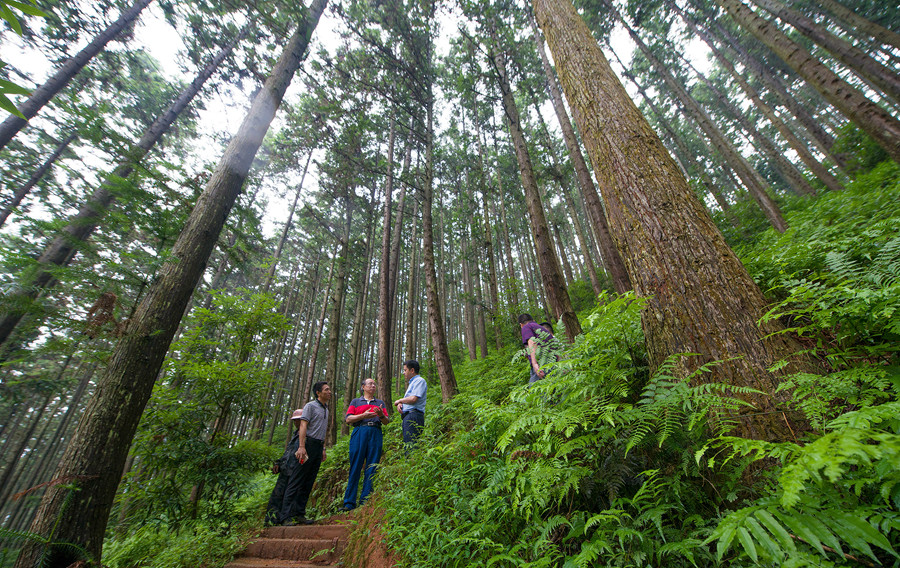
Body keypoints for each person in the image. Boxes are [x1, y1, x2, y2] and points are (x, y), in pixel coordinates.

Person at [278, 381, 331, 526]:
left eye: (329, 389)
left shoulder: (326, 409)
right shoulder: (310, 406)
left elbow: (323, 430)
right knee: (296, 479)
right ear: (318, 393)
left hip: (318, 447)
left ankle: (299, 513)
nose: (329, 392)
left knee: (309, 481)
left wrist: (324, 449)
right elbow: (303, 425)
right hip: (307, 445)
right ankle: (285, 516)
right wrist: (301, 447)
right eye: (326, 390)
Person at [342, 378, 390, 511]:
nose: (373, 386)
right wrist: (363, 415)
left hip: (375, 431)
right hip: (359, 431)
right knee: (355, 465)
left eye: (374, 384)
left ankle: (366, 501)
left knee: (372, 465)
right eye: (370, 384)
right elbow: (348, 419)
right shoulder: (356, 401)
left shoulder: (380, 403)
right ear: (363, 386)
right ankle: (349, 503)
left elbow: (386, 422)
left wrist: (380, 415)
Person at [264, 409, 304, 525]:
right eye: (295, 421)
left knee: (291, 495)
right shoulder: (294, 435)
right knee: (277, 496)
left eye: (299, 420)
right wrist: (278, 463)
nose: (297, 423)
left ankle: (287, 518)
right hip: (286, 469)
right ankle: (271, 520)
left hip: (295, 470)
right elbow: (288, 452)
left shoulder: (306, 435)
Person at [393, 360, 427, 451]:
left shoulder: (419, 381)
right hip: (408, 416)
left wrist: (399, 400)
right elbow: (409, 399)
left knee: (411, 445)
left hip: (413, 416)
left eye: (405, 370)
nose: (403, 373)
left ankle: (411, 463)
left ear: (412, 370)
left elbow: (413, 399)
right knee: (408, 443)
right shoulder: (412, 383)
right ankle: (410, 462)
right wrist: (401, 404)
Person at [519, 313, 557, 383]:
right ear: (533, 320)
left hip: (541, 364)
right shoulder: (541, 328)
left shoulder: (526, 327)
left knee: (534, 390)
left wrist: (535, 364)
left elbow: (532, 342)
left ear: (521, 324)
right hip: (552, 362)